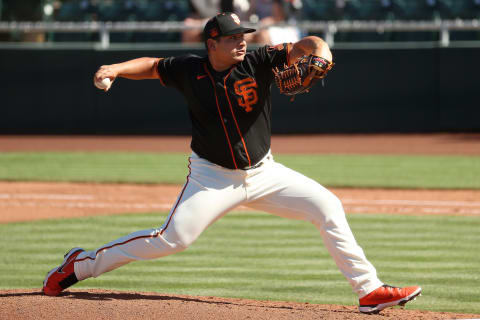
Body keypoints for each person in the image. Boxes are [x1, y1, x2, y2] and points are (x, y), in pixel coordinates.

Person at [42, 12, 421, 314]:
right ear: (212, 44)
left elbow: (310, 44)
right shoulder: (190, 70)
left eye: (244, 36)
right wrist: (114, 69)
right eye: (233, 38)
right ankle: (80, 265)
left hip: (265, 173)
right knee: (172, 239)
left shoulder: (259, 60)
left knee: (328, 206)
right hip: (212, 178)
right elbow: (153, 64)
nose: (242, 42)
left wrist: (322, 54)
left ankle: (369, 290)